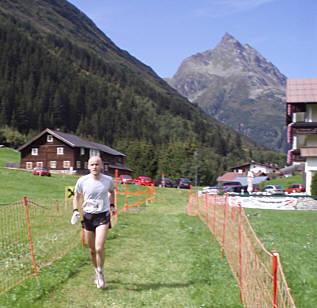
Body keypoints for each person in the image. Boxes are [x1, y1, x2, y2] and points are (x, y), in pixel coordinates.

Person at [71, 156, 116, 289]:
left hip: (103, 216)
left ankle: (101, 272)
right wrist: (75, 211)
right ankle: (96, 270)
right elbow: (76, 197)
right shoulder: (82, 181)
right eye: (92, 164)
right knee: (91, 250)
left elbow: (111, 192)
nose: (94, 167)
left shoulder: (108, 180)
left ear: (102, 166)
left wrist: (112, 205)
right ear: (88, 166)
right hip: (88, 217)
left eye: (97, 164)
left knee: (99, 248)